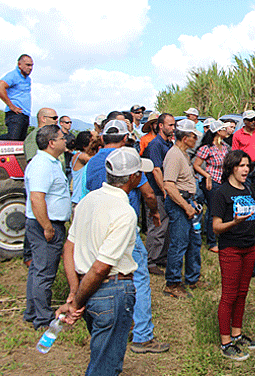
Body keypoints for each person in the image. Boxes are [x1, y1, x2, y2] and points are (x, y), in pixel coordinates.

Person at [56, 147, 150, 376]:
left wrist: (74, 291)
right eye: (139, 173)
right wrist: (76, 302)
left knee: (101, 353)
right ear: (132, 178)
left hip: (88, 288)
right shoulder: (125, 212)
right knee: (105, 365)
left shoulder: (88, 199)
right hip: (112, 290)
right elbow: (100, 268)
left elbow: (69, 247)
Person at [82, 119, 169, 354]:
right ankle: (142, 334)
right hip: (124, 225)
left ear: (102, 138)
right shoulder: (126, 161)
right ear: (124, 139)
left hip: (99, 226)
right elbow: (148, 193)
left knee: (104, 273)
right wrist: (154, 213)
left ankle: (105, 321)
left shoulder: (91, 163)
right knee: (138, 276)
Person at [212, 150, 255, 360]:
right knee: (229, 295)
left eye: (248, 166)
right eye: (242, 165)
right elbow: (216, 227)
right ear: (232, 167)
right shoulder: (221, 193)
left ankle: (237, 333)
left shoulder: (248, 189)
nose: (246, 170)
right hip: (230, 249)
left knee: (243, 293)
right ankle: (226, 342)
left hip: (249, 247)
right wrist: (234, 222)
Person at [23, 124, 71, 329]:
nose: (65, 140)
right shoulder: (42, 164)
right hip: (45, 224)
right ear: (51, 143)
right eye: (61, 138)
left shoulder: (49, 162)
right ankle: (42, 318)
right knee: (44, 272)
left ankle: (32, 311)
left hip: (47, 222)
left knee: (38, 269)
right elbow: (36, 198)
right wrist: (47, 227)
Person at [162, 118, 202, 298]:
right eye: (194, 136)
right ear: (185, 138)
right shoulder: (174, 155)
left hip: (187, 202)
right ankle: (172, 283)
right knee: (178, 244)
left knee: (193, 242)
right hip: (179, 205)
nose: (196, 140)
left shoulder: (183, 155)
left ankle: (192, 278)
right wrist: (186, 206)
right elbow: (169, 185)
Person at [143, 113, 175, 274]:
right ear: (160, 126)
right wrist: (164, 190)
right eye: (170, 125)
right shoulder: (155, 145)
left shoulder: (168, 144)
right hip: (157, 192)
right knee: (157, 226)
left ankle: (162, 256)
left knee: (167, 225)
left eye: (174, 125)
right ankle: (150, 260)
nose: (173, 128)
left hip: (166, 192)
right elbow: (156, 170)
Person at [194, 119, 231, 253]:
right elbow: (196, 165)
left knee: (222, 209)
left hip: (223, 181)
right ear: (217, 132)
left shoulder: (225, 147)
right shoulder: (207, 148)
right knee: (212, 211)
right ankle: (211, 241)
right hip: (212, 181)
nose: (226, 131)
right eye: (223, 129)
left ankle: (220, 235)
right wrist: (207, 176)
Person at [0, 54, 33, 141]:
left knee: (19, 142)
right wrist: (11, 106)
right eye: (27, 65)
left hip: (25, 114)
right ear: (20, 64)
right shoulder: (13, 75)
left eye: (31, 65)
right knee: (12, 139)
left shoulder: (27, 79)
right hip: (15, 114)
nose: (30, 68)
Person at [70, 131, 98, 206]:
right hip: (79, 200)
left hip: (84, 199)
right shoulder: (80, 156)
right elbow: (95, 159)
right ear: (84, 146)